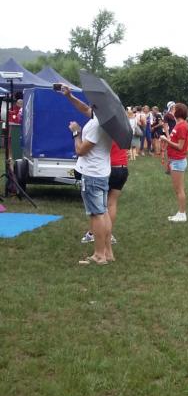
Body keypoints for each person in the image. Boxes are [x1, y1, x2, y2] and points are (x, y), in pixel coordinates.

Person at [61, 87, 113, 265]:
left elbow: (81, 151)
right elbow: (84, 109)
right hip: (102, 172)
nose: (89, 102)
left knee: (96, 215)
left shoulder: (95, 126)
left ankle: (99, 255)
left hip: (92, 175)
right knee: (103, 212)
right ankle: (107, 252)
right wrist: (69, 96)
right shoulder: (105, 119)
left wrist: (76, 132)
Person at [160, 103, 188, 222]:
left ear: (179, 112)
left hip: (178, 160)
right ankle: (181, 212)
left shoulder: (182, 126)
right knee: (178, 189)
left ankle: (182, 214)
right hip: (175, 160)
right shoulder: (179, 125)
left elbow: (180, 146)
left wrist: (166, 139)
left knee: (179, 189)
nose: (172, 110)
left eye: (174, 109)